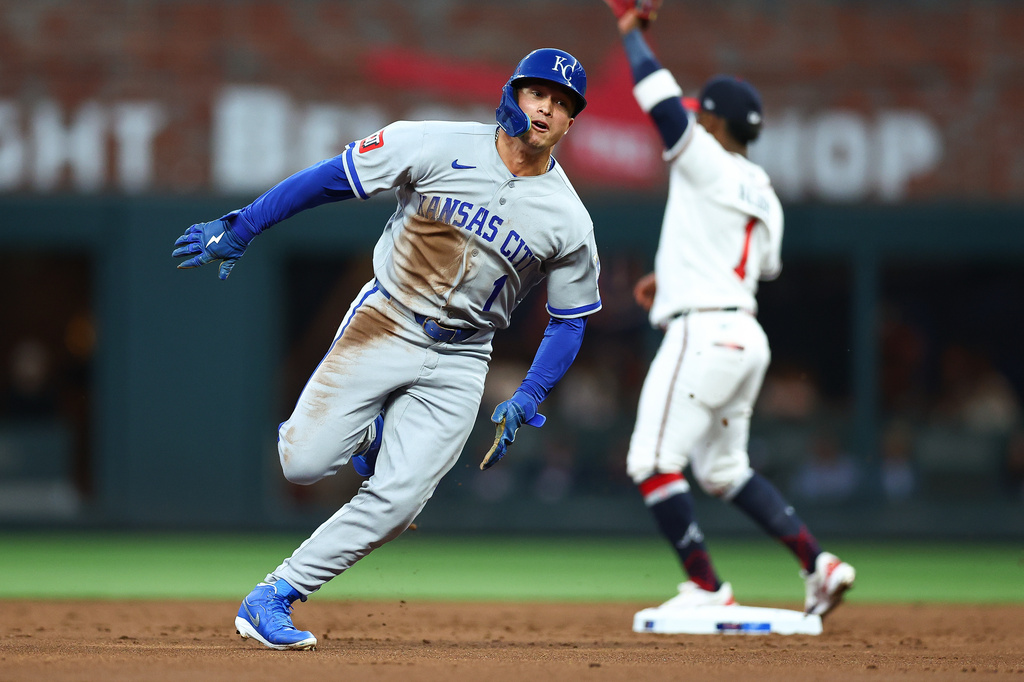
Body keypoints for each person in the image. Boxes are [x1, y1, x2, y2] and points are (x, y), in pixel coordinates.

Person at [172, 48, 601, 650]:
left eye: (562, 104)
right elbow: (329, 179)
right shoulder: (430, 142)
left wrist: (531, 392)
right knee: (300, 463)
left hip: (463, 357)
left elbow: (570, 320)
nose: (547, 108)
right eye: (539, 93)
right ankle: (371, 436)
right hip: (387, 319)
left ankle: (276, 594)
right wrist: (243, 227)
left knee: (399, 502)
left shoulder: (568, 219)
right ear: (513, 94)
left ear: (570, 122)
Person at [604, 3, 855, 618]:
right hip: (744, 334)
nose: (695, 122)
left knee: (650, 461)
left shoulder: (705, 159)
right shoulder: (764, 191)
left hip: (702, 334)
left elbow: (657, 98)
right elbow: (755, 267)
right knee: (723, 470)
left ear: (713, 123)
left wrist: (634, 34)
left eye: (702, 116)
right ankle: (818, 564)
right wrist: (671, 278)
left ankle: (707, 587)